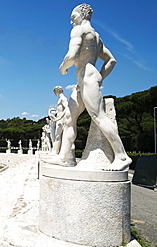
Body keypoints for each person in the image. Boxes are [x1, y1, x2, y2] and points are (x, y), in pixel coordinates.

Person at [57, 3, 131, 170]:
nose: (71, 22)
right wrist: (100, 77)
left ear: (82, 15)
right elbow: (111, 60)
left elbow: (72, 55)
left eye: (73, 17)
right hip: (84, 80)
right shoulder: (97, 37)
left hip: (87, 78)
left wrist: (63, 67)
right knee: (69, 118)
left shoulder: (79, 31)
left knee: (99, 116)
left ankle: (122, 156)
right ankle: (63, 157)